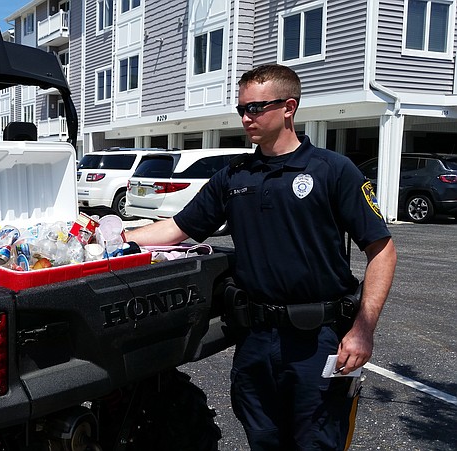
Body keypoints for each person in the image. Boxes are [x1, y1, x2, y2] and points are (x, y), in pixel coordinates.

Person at [125, 64, 397, 450]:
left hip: (317, 339)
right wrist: (113, 238)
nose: (245, 117)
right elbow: (177, 229)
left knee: (316, 442)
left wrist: (363, 329)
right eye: (241, 109)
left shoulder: (332, 170)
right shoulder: (235, 176)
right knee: (263, 439)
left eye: (255, 108)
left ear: (289, 107)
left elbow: (381, 249)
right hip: (255, 338)